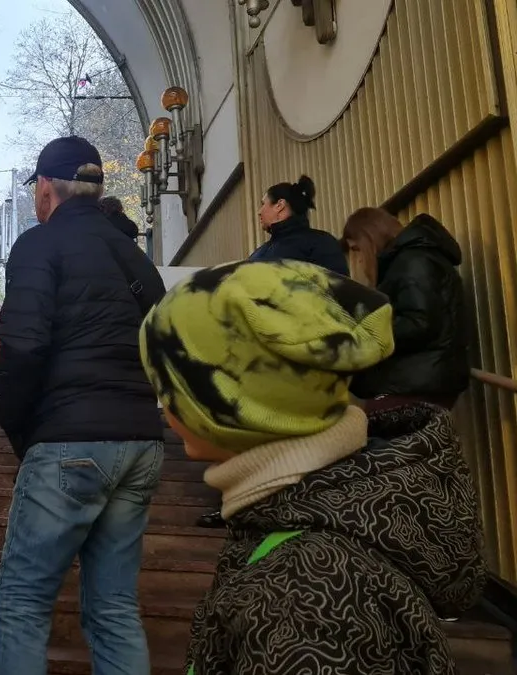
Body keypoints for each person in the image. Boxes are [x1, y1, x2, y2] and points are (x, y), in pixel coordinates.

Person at [139, 260, 486, 674]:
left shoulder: (301, 598)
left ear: (226, 405)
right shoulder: (313, 519)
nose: (161, 404)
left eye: (166, 385)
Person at [0, 135, 167, 675]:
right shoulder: (135, 258)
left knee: (21, 604)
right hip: (141, 442)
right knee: (113, 608)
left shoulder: (40, 245)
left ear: (45, 189)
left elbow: (23, 345)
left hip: (70, 438)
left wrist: (15, 426)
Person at [196, 174, 348, 528]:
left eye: (263, 204)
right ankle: (241, 505)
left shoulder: (318, 245)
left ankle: (293, 509)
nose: (259, 212)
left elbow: (336, 296)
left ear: (280, 207)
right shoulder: (263, 251)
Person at [341, 208, 470, 413]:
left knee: (382, 441)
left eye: (357, 249)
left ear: (370, 237)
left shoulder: (413, 260)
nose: (358, 259)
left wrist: (367, 332)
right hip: (419, 379)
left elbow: (420, 322)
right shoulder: (411, 260)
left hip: (415, 383)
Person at [247, 175, 347, 275]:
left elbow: (339, 287)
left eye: (263, 204)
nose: (259, 212)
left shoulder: (321, 244)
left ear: (279, 205)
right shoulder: (324, 242)